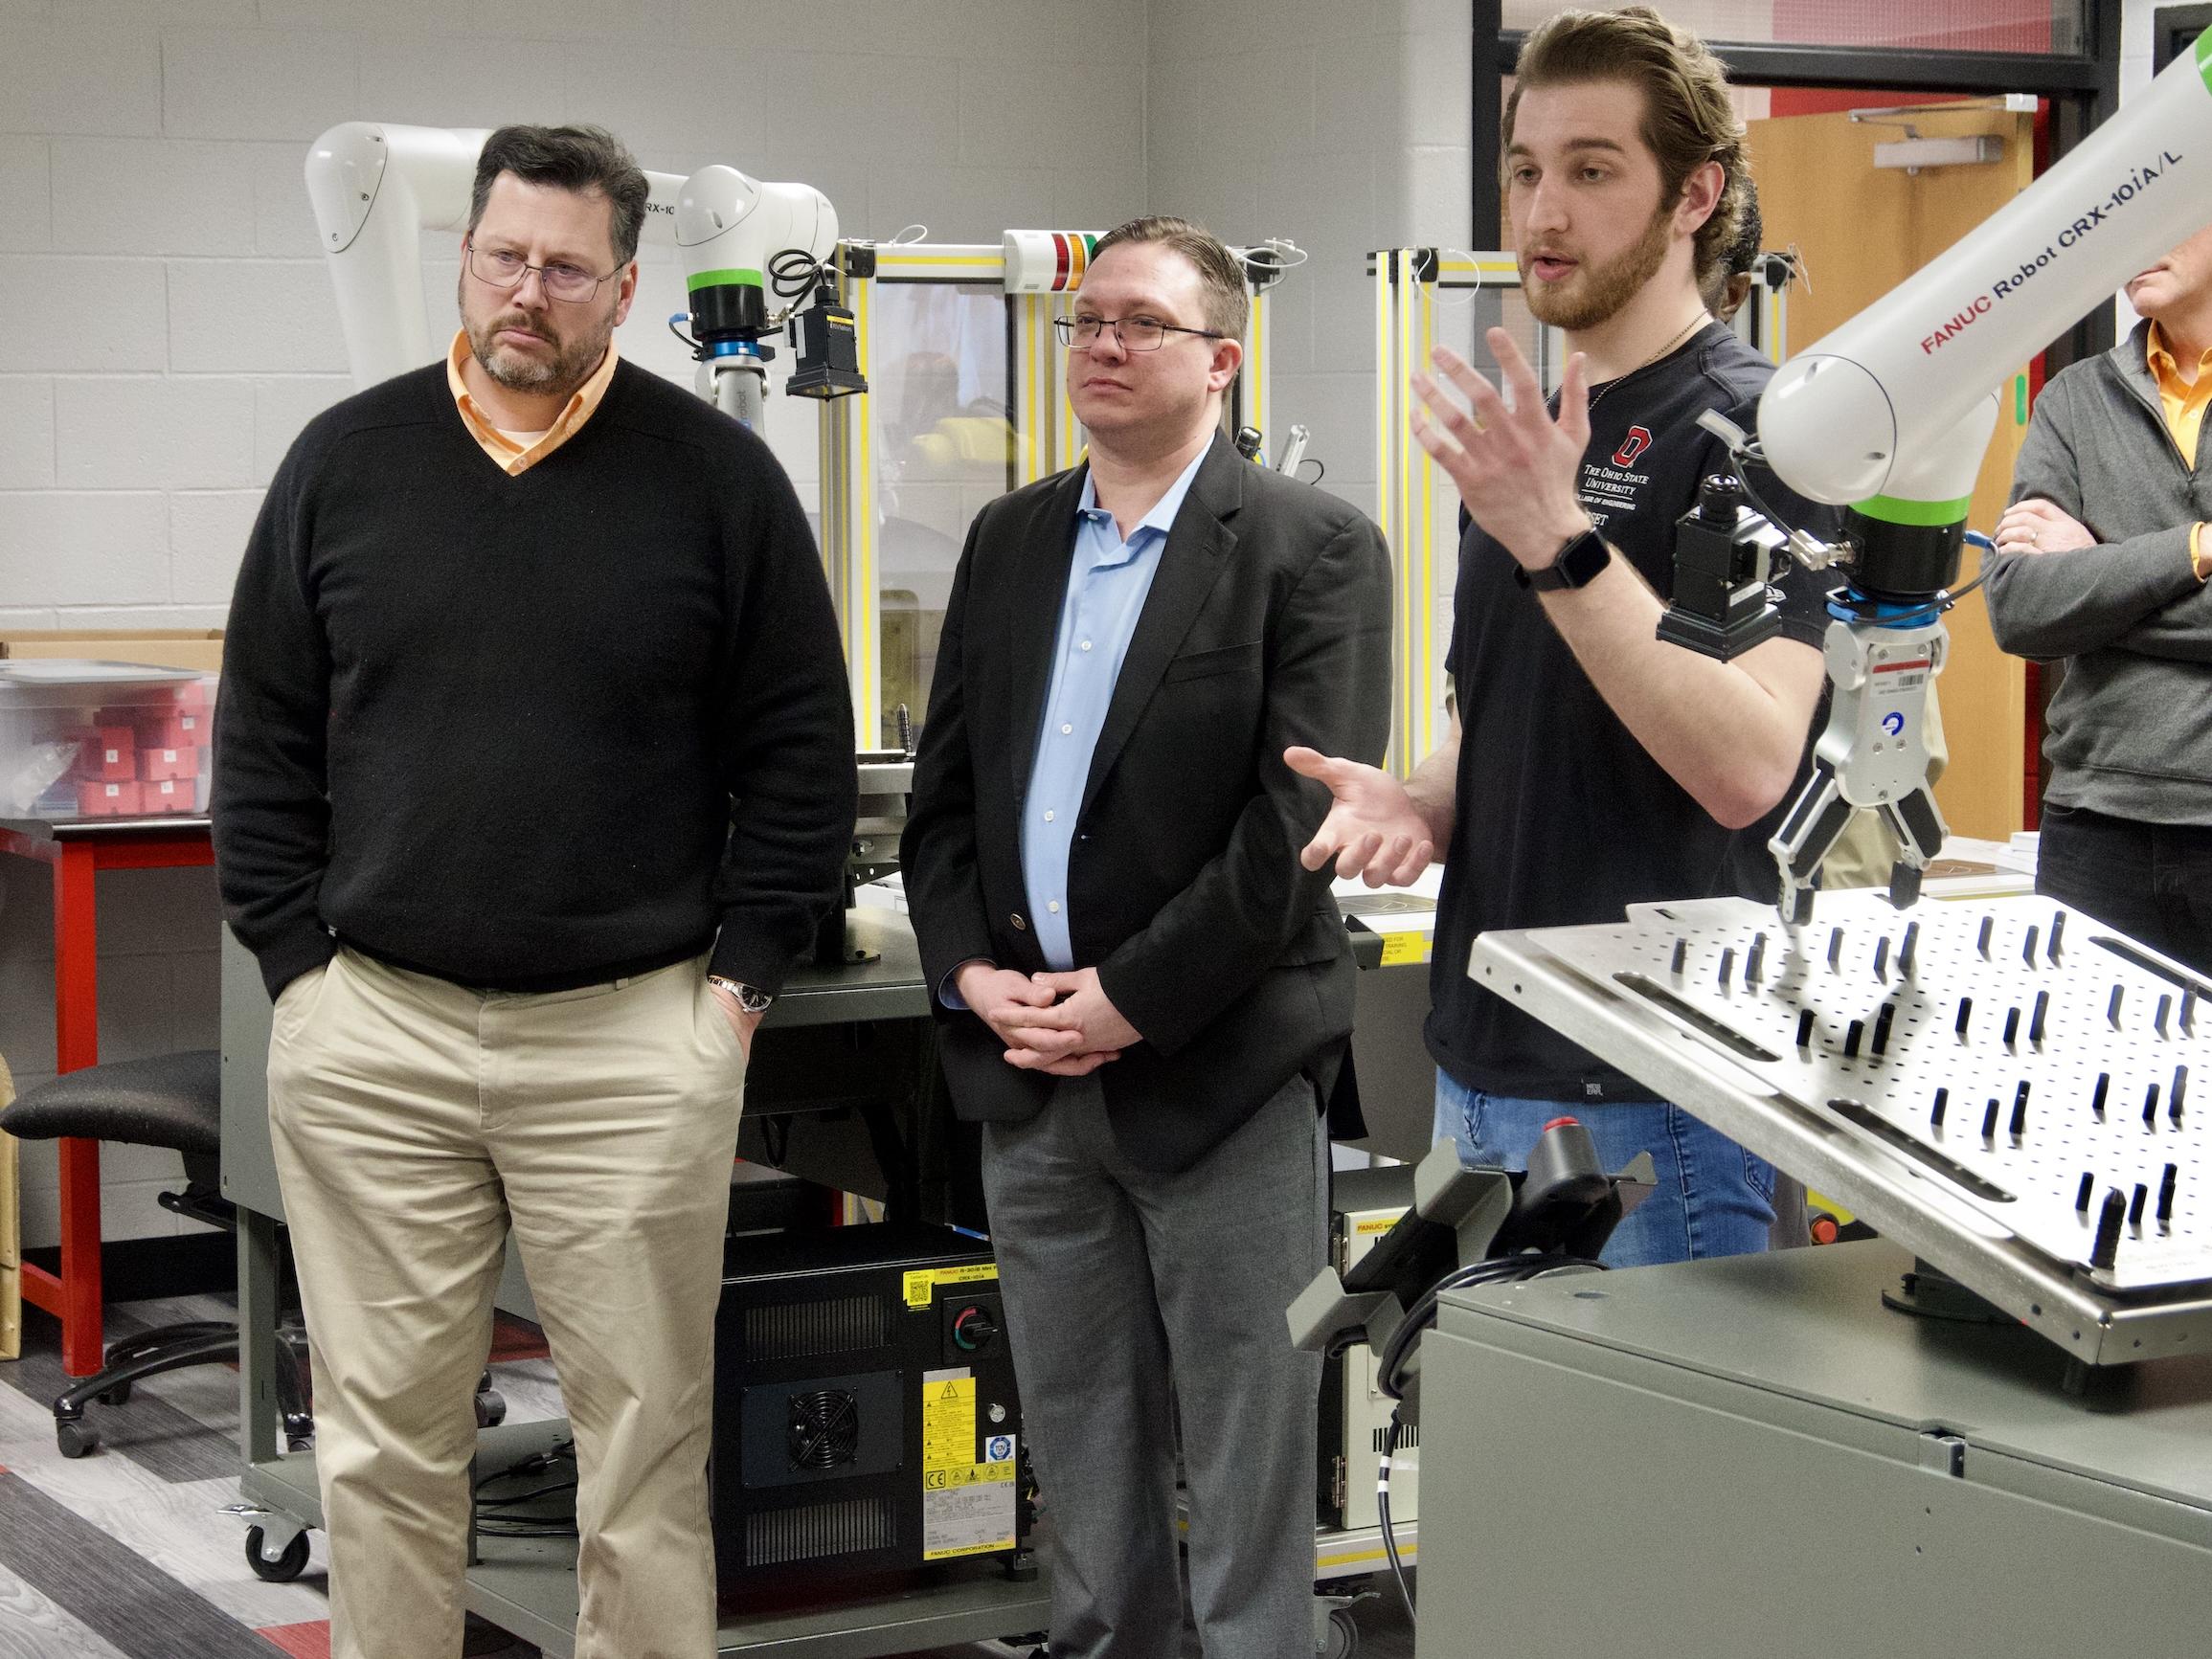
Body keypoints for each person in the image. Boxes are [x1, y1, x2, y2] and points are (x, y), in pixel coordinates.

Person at [213, 123, 855, 1659]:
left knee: (642, 1456)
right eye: (505, 255)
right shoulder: (343, 463)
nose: (528, 292)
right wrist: (299, 967)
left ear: (623, 290)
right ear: (465, 256)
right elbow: (262, 738)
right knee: (382, 1452)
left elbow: (797, 753)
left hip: (630, 1042)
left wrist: (736, 991)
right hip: (378, 1032)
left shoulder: (717, 480)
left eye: (566, 268)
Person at [899, 215, 1391, 1659]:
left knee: (1246, 1450)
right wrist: (968, 972)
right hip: (1030, 1074)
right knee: (1078, 1433)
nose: (1101, 344)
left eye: (1140, 323)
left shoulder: (1311, 548)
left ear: (1223, 360)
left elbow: (1293, 836)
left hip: (1217, 1070)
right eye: (1084, 322)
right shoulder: (1006, 539)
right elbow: (945, 803)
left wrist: (1125, 997)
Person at [1290, 5, 1834, 1267]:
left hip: (1655, 1102)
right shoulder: (1551, 428)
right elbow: (1503, 703)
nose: (1541, 213)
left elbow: (1744, 759)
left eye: (1592, 171)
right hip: (1485, 1065)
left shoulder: (1745, 443)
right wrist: (1423, 801)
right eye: (1526, 170)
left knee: (1648, 1472)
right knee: (1506, 1468)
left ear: (1694, 193)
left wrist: (1560, 544)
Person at [1987, 224, 2212, 975]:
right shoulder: (2075, 398)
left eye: (2168, 212)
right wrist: (2195, 549)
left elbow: (2070, 600)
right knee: (2085, 1089)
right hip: (2093, 823)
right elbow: (2019, 607)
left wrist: (2099, 575)